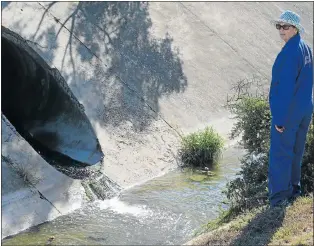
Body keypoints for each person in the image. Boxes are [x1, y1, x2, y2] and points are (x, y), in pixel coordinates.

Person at [268, 10, 313, 208]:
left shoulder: (289, 53)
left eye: (285, 26)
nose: (281, 30)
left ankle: (278, 200)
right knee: (296, 151)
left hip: (289, 114)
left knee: (280, 154)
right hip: (305, 109)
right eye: (279, 26)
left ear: (295, 28)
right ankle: (294, 190)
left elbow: (284, 89)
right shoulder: (306, 48)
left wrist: (279, 119)